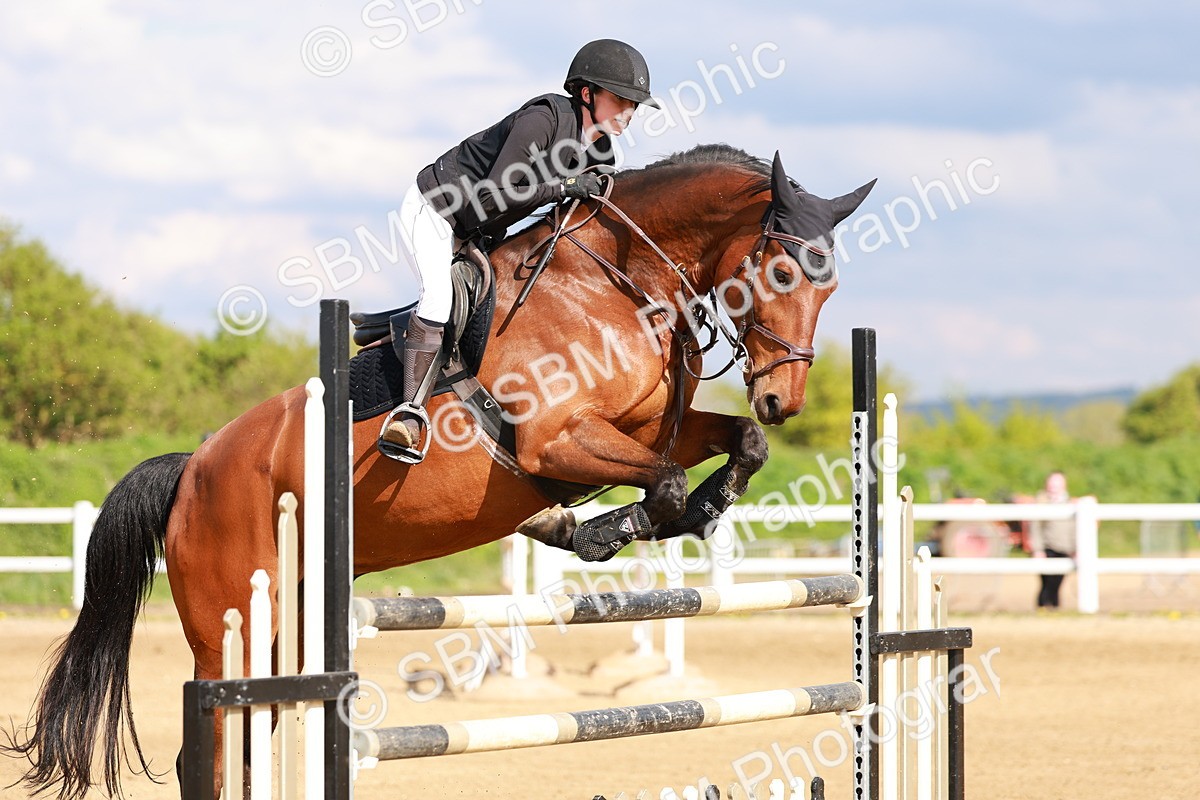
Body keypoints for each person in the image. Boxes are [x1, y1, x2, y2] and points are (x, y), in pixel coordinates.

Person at [379, 39, 659, 462]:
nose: (628, 112)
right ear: (587, 94)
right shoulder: (543, 119)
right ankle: (409, 415)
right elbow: (492, 197)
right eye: (620, 99)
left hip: (483, 232)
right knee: (438, 300)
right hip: (438, 210)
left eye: (633, 105)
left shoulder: (601, 150)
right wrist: (565, 187)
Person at [1029, 471, 1075, 609]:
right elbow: (1035, 527)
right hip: (1048, 548)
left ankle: (1054, 607)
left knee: (1057, 582)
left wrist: (1075, 548)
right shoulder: (1042, 502)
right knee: (1046, 582)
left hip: (1065, 548)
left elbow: (1073, 529)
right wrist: (1037, 549)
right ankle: (1043, 607)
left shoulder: (1070, 503)